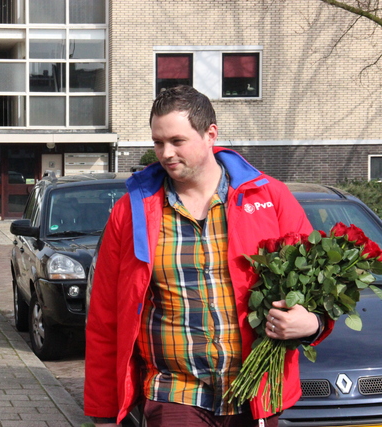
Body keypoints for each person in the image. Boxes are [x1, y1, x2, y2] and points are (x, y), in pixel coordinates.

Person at [84, 86, 333, 426]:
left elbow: (320, 283)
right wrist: (103, 412)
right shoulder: (131, 212)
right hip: (173, 393)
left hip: (253, 392)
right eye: (158, 142)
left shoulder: (270, 198)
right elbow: (105, 318)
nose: (166, 153)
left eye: (177, 140)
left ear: (210, 134)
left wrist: (313, 323)